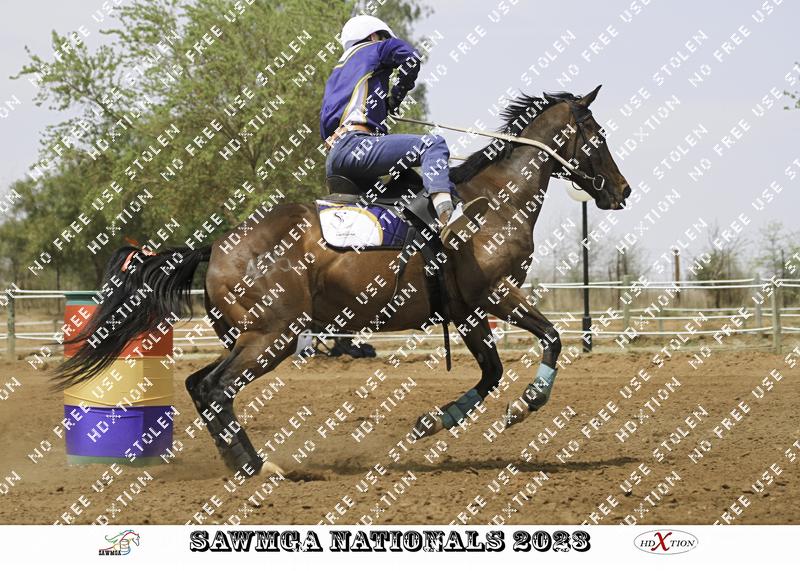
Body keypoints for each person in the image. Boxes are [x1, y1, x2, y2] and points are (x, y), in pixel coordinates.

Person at [320, 14, 488, 248]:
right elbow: (411, 57)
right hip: (357, 146)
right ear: (373, 36)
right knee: (432, 144)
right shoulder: (376, 48)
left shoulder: (336, 74)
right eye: (383, 38)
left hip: (335, 160)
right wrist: (396, 96)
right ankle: (448, 215)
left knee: (407, 181)